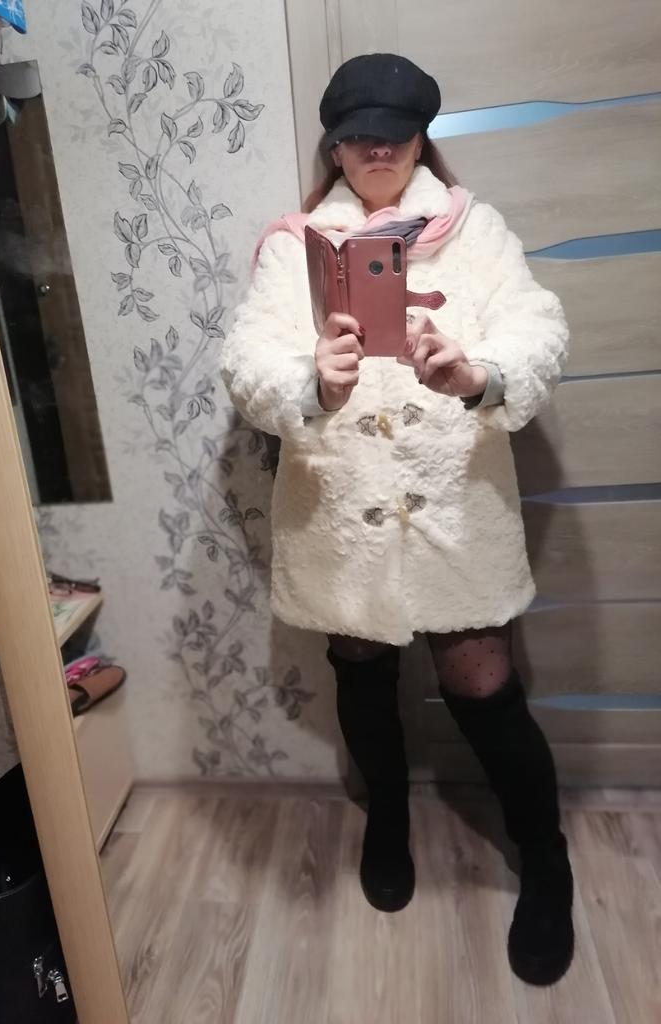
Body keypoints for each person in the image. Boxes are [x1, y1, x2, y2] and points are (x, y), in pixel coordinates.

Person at [220, 52, 573, 987]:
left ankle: (545, 860)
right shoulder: (294, 245)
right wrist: (309, 380)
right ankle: (386, 816)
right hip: (341, 504)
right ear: (334, 146)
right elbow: (246, 361)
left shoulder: (473, 229)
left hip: (454, 499)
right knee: (364, 674)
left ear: (419, 140)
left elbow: (538, 325)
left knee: (484, 690)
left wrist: (479, 372)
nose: (377, 148)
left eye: (395, 133)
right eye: (358, 135)